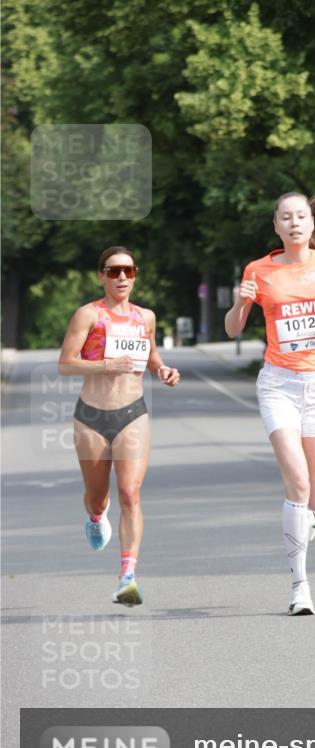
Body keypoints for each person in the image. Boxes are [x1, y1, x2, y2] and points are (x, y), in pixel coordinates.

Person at [225, 182, 315, 616]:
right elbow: (233, 329)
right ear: (276, 226)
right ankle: (300, 586)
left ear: (311, 224)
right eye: (285, 217)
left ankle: (303, 518)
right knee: (299, 484)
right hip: (279, 385)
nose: (293, 223)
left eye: (300, 217)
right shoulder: (259, 271)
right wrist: (238, 302)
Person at [58, 246, 180, 606]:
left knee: (130, 493)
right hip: (92, 417)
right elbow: (66, 363)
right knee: (98, 497)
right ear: (102, 276)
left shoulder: (146, 317)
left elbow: (151, 353)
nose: (122, 277)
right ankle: (96, 517)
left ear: (135, 274)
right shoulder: (88, 315)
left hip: (132, 414)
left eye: (128, 271)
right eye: (113, 272)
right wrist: (104, 366)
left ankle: (128, 576)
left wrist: (162, 370)